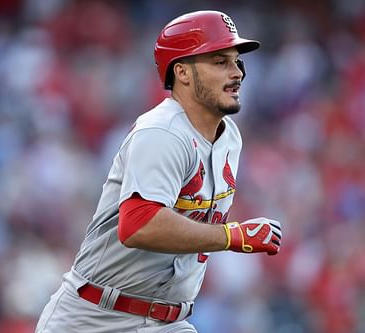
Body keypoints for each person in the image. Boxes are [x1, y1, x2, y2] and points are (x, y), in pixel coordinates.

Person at [35, 10, 282, 333]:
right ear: (182, 72)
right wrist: (231, 236)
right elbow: (138, 225)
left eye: (237, 62)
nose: (236, 73)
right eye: (220, 62)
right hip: (95, 316)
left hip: (168, 321)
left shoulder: (230, 136)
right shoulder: (161, 132)